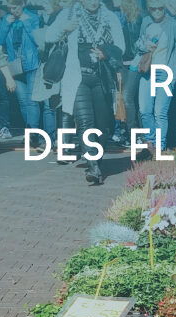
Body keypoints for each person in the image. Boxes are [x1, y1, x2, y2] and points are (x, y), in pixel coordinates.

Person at [46, 0, 123, 183]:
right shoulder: (69, 14)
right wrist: (63, 28)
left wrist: (106, 53)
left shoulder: (110, 18)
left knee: (103, 125)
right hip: (77, 78)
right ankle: (93, 167)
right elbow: (49, 36)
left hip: (102, 78)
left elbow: (121, 46)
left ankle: (96, 158)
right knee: (84, 121)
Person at [0, 0, 56, 145]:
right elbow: (0, 40)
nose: (13, 11)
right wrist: (5, 24)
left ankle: (33, 133)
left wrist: (26, 22)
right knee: (23, 102)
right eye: (10, 8)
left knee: (32, 102)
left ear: (22, 5)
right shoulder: (7, 20)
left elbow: (38, 40)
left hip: (31, 64)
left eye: (15, 7)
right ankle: (33, 134)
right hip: (15, 65)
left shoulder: (33, 17)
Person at [135, 0, 176, 150]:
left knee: (160, 113)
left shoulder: (173, 25)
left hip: (165, 73)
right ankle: (152, 143)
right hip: (147, 71)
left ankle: (159, 148)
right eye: (153, 9)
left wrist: (173, 67)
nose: (157, 12)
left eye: (160, 8)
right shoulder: (146, 22)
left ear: (165, 8)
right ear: (148, 9)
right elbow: (138, 44)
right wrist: (143, 45)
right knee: (144, 110)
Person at [114, 0, 143, 146]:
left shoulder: (136, 18)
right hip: (123, 64)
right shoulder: (120, 17)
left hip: (134, 63)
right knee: (128, 100)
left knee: (127, 98)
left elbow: (138, 42)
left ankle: (133, 134)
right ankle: (131, 133)